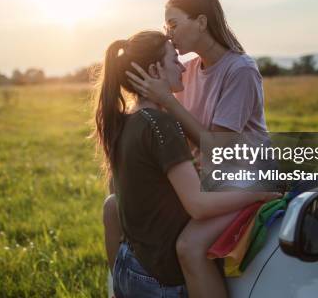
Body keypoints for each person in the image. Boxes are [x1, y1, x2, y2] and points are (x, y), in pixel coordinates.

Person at [95, 30, 278, 298]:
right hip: (160, 282)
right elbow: (198, 206)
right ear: (155, 69)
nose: (182, 66)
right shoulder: (160, 124)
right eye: (173, 60)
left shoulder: (124, 120)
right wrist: (258, 193)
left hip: (129, 267)